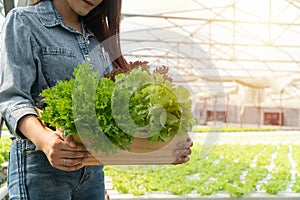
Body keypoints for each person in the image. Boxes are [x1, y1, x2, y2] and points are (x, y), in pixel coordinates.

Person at [0, 0, 193, 199]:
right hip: (41, 169)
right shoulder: (24, 21)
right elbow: (13, 98)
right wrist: (45, 140)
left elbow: (115, 115)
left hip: (92, 170)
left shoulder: (97, 36)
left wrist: (167, 144)